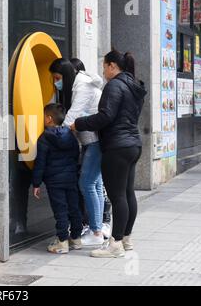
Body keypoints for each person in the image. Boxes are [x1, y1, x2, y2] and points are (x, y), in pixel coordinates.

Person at [71, 50, 147, 258]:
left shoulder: (115, 85)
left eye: (104, 66)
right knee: (128, 193)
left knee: (118, 196)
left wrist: (79, 123)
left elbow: (105, 117)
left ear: (112, 66)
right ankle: (126, 239)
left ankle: (115, 244)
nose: (103, 71)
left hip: (117, 146)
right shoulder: (133, 85)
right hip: (133, 145)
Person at [50, 58, 106, 247]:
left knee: (86, 183)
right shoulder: (80, 83)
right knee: (95, 184)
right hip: (94, 140)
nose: (55, 82)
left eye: (57, 78)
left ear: (65, 75)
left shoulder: (82, 86)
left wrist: (51, 135)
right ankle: (97, 228)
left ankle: (96, 231)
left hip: (95, 140)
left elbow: (72, 117)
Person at [32, 104, 82, 254]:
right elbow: (76, 155)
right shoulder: (70, 135)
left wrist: (36, 183)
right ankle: (76, 238)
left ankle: (62, 242)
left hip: (54, 182)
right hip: (71, 178)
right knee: (74, 208)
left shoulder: (44, 139)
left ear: (48, 119)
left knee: (60, 210)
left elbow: (40, 163)